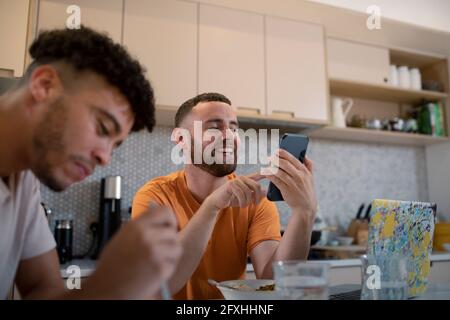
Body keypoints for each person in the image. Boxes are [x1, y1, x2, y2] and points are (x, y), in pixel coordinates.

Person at [0, 26, 182, 300]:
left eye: (114, 144)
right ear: (44, 86)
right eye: (102, 127)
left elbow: (43, 289)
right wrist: (107, 284)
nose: (105, 158)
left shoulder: (22, 180)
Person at [132, 92, 318, 299]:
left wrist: (304, 213)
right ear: (181, 139)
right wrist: (212, 206)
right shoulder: (154, 197)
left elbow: (274, 280)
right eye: (214, 127)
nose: (229, 136)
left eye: (233, 128)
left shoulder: (255, 201)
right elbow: (159, 284)